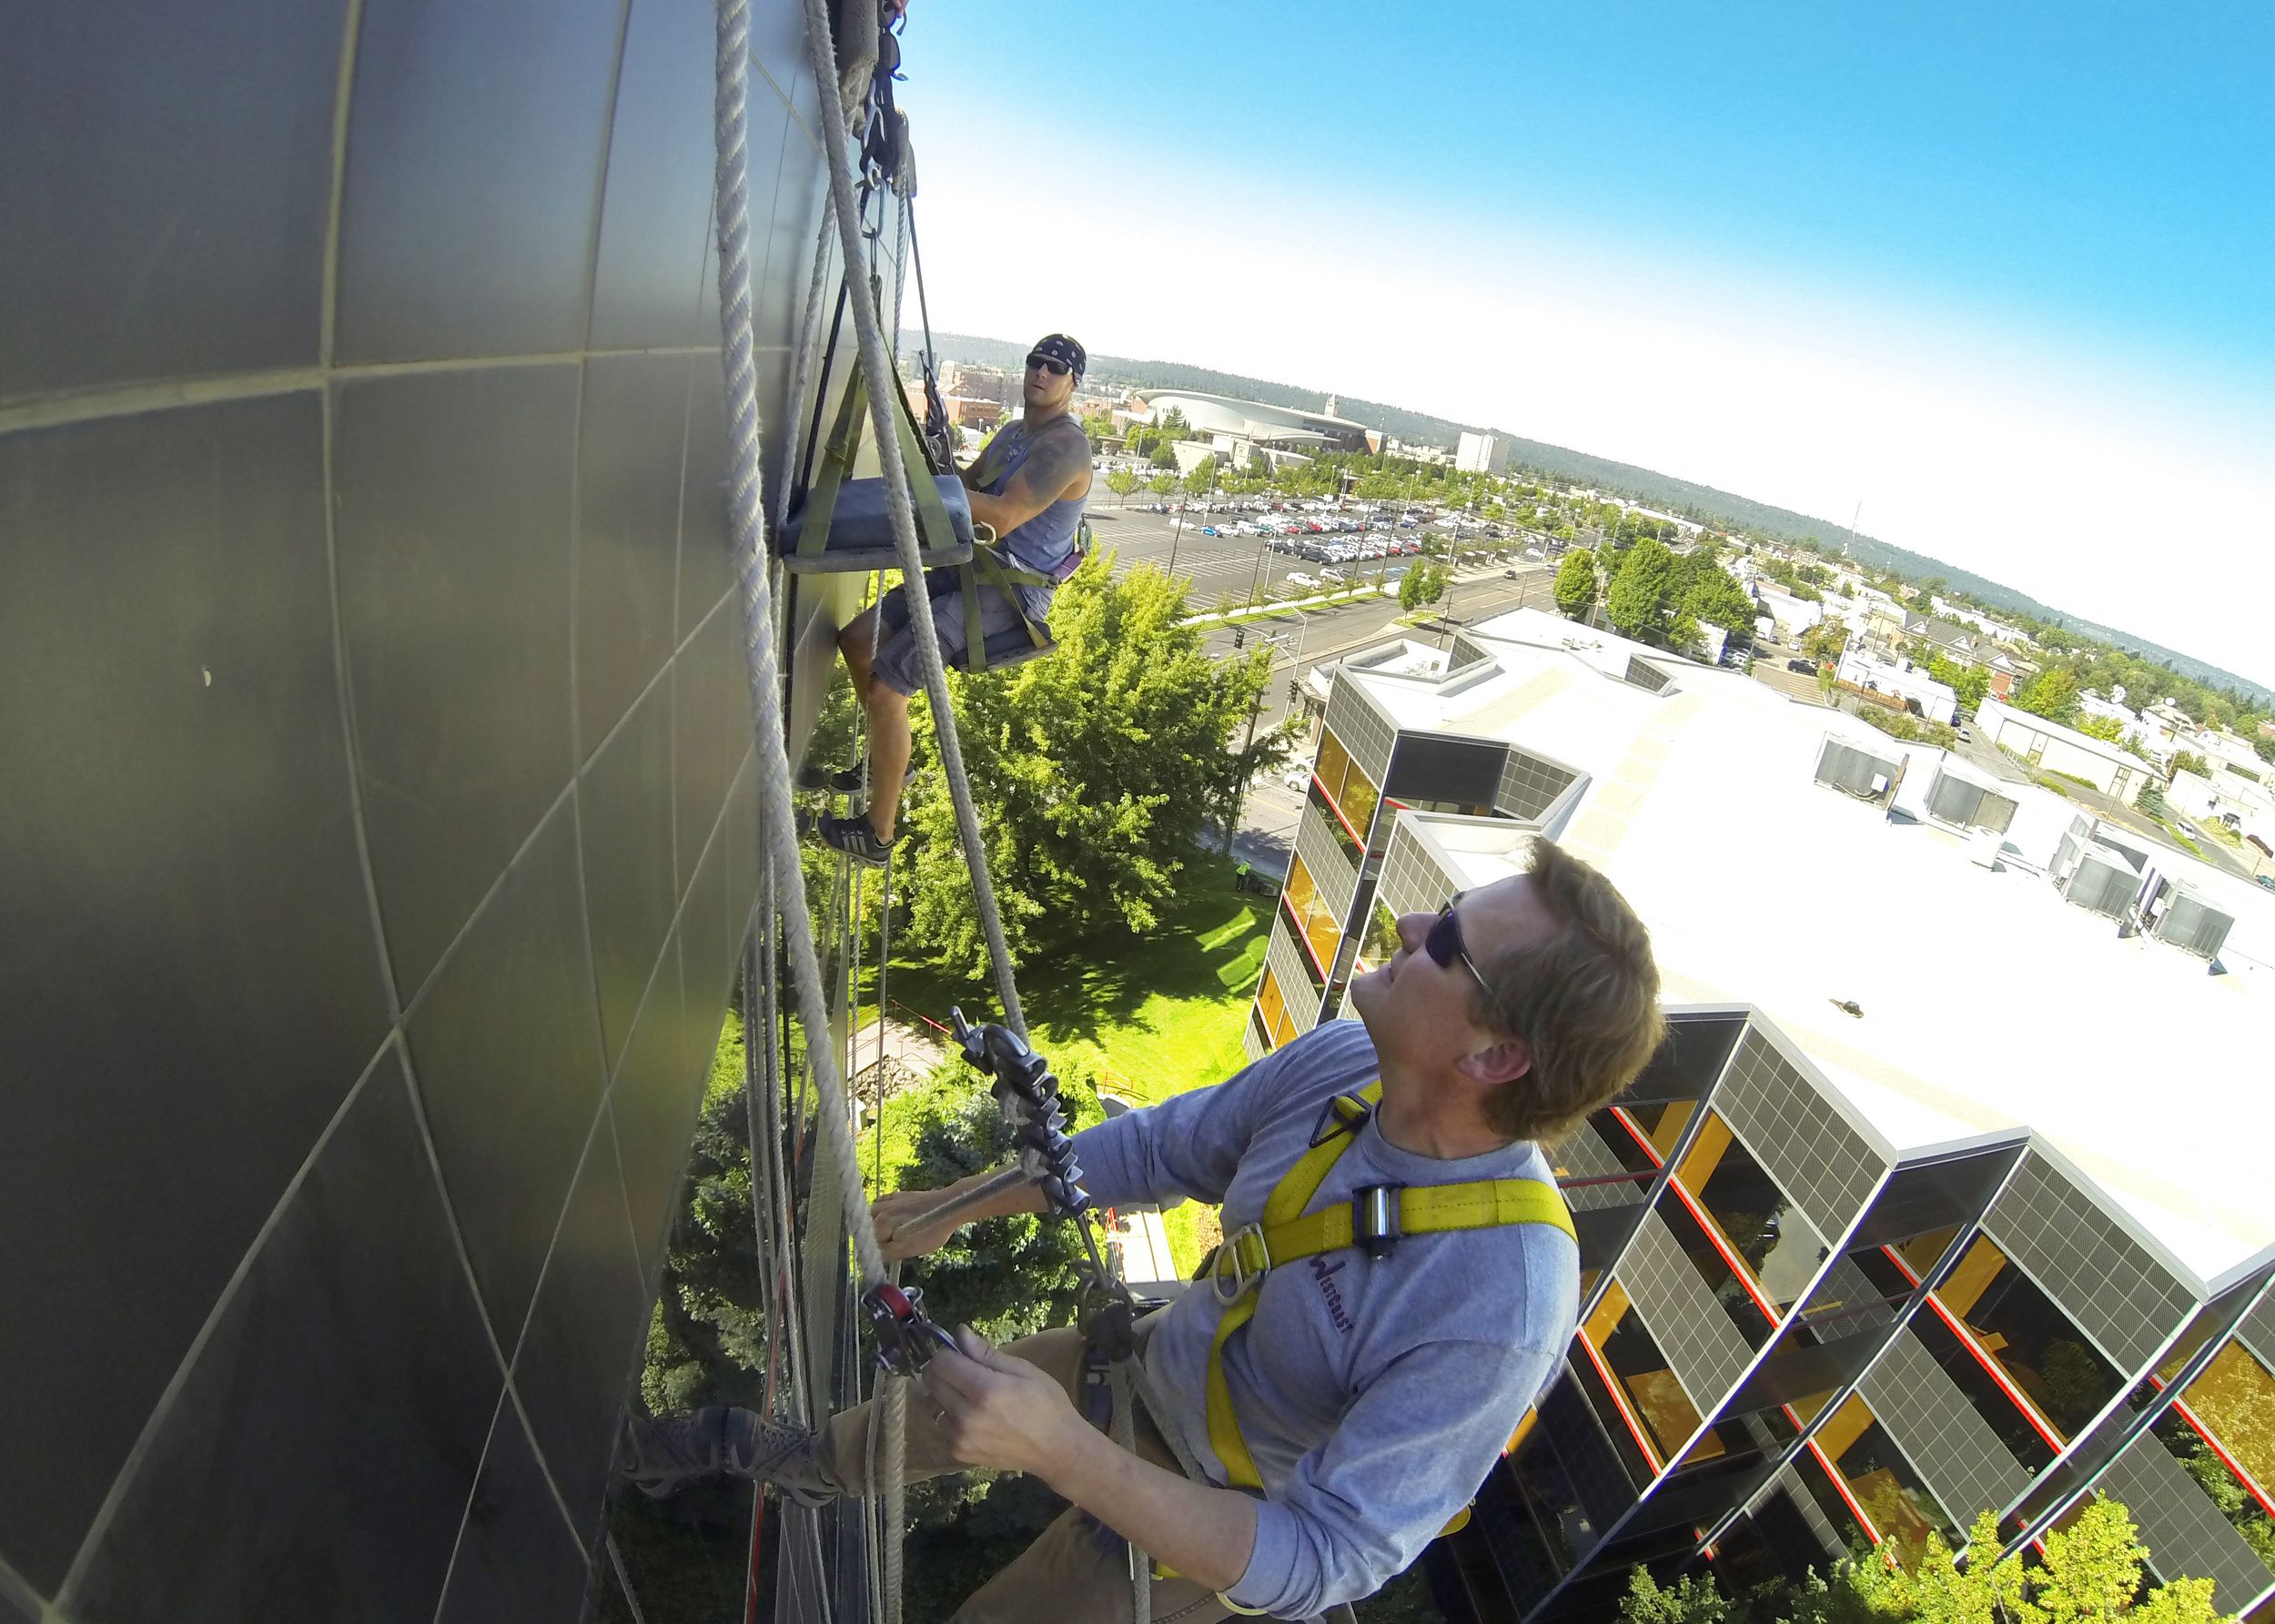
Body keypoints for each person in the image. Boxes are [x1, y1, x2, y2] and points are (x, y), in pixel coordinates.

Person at [630, 838, 1663, 1621]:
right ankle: (799, 1463)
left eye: (1445, 943)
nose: (1405, 928)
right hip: (1153, 1358)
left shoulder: (1500, 1301)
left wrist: (1069, 1457)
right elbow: (1163, 1149)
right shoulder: (1348, 1064)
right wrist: (955, 1209)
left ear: (1492, 1059)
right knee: (916, 1417)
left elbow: (1324, 1558)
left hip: (1203, 1525)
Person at [810, 332, 1095, 863]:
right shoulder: (1014, 433)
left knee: (888, 691)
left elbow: (1004, 514)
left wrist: (921, 482)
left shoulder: (1065, 446)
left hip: (1004, 591)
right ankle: (890, 760)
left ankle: (878, 834)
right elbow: (968, 486)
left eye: (1056, 368)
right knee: (855, 641)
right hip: (971, 568)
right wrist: (938, 459)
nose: (1042, 372)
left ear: (1072, 383)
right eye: (1036, 361)